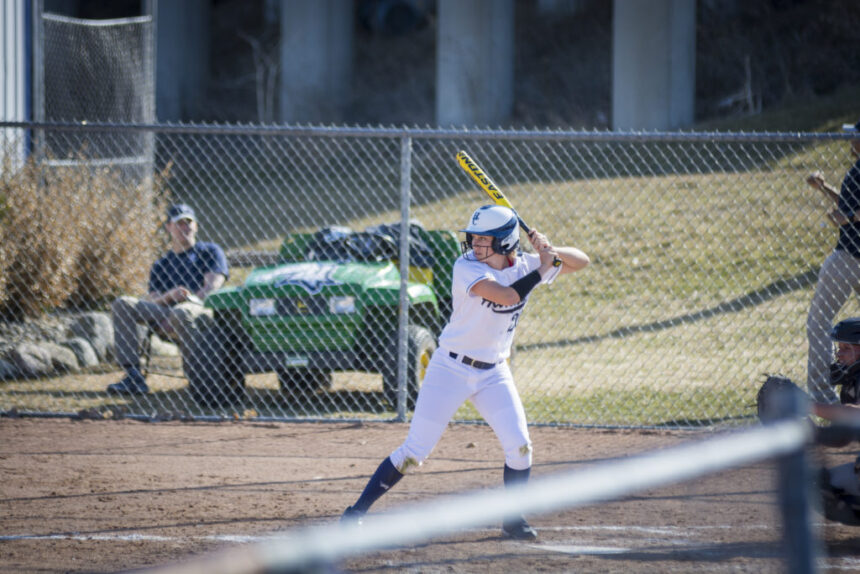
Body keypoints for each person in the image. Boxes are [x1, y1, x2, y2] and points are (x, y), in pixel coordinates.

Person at [340, 204, 590, 539]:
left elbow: (582, 261)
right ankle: (356, 513)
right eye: (472, 238)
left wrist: (550, 251)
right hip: (450, 369)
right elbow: (505, 296)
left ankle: (513, 519)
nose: (474, 244)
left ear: (504, 243)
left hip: (493, 373)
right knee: (415, 452)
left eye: (483, 239)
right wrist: (543, 267)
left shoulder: (527, 264)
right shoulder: (466, 267)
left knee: (520, 446)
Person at [106, 204, 229, 395]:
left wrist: (190, 299)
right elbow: (153, 299)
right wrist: (170, 296)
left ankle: (198, 381)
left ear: (196, 226)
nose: (185, 227)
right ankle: (133, 377)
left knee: (182, 313)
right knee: (122, 304)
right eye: (179, 223)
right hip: (165, 311)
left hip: (200, 310)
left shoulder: (210, 251)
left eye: (189, 223)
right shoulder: (161, 264)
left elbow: (213, 287)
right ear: (169, 228)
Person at [805, 119, 860, 403]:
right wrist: (823, 187)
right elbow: (849, 207)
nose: (852, 141)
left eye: (856, 136)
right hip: (852, 256)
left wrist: (847, 218)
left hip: (849, 256)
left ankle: (821, 398)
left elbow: (851, 213)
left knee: (818, 323)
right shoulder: (856, 172)